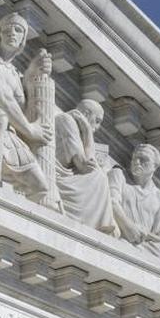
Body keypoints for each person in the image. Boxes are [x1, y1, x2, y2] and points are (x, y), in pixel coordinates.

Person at [0, 12, 52, 200]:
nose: (12, 33)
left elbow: (21, 108)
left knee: (40, 187)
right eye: (7, 28)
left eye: (18, 30)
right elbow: (2, 97)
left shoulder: (15, 74)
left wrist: (32, 74)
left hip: (10, 134)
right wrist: (30, 130)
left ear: (23, 39)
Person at [54, 100, 116, 233]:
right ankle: (98, 224)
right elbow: (84, 165)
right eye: (97, 121)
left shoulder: (73, 125)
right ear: (86, 114)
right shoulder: (67, 120)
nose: (98, 127)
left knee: (100, 176)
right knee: (99, 178)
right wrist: (88, 132)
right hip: (58, 177)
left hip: (66, 176)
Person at [109, 143, 160, 261]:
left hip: (143, 243)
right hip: (122, 231)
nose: (137, 162)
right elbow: (111, 201)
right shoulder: (119, 175)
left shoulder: (159, 196)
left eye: (143, 159)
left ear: (154, 166)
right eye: (135, 158)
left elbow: (159, 232)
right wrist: (128, 226)